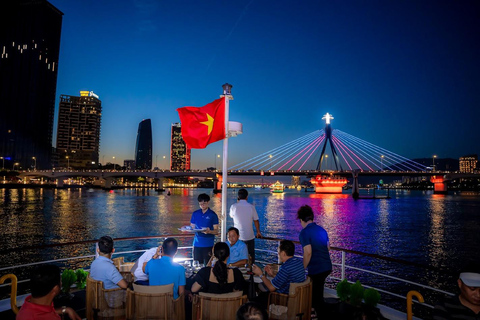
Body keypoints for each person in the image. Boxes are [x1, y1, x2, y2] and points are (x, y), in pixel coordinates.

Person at [297, 205, 332, 315]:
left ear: (301, 220)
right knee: (317, 293)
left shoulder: (304, 232)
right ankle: (314, 313)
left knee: (315, 296)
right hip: (327, 265)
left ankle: (318, 314)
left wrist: (302, 268)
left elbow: (308, 252)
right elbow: (328, 248)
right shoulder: (322, 230)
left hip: (317, 268)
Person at [16, 264, 81, 320]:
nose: (61, 283)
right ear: (55, 289)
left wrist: (65, 310)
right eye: (60, 281)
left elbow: (44, 311)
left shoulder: (29, 306)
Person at [229, 188, 262, 263]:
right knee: (250, 256)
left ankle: (237, 273)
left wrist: (237, 202)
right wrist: (258, 232)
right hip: (249, 236)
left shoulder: (233, 206)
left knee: (237, 257)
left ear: (238, 197)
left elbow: (231, 216)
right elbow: (256, 220)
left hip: (237, 237)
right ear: (247, 197)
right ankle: (250, 272)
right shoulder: (251, 207)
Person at [190, 193, 219, 265]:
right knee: (196, 265)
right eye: (201, 203)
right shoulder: (195, 213)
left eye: (204, 203)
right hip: (197, 244)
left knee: (208, 266)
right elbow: (192, 227)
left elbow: (216, 231)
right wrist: (187, 229)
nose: (202, 205)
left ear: (208, 202)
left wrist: (209, 231)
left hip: (208, 245)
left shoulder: (213, 215)